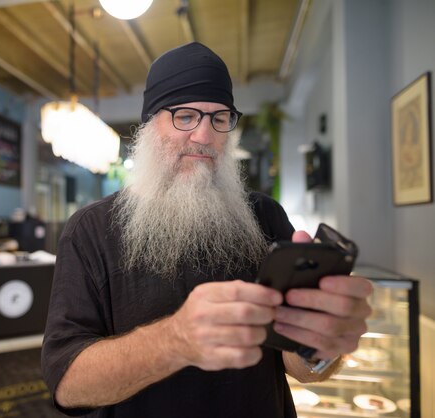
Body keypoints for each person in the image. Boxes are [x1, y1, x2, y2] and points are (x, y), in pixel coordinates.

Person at [41, 42, 372, 418]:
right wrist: (175, 341)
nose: (204, 135)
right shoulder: (90, 230)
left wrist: (323, 342)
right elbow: (68, 385)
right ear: (150, 125)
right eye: (185, 116)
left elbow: (300, 367)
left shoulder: (263, 215)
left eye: (219, 118)